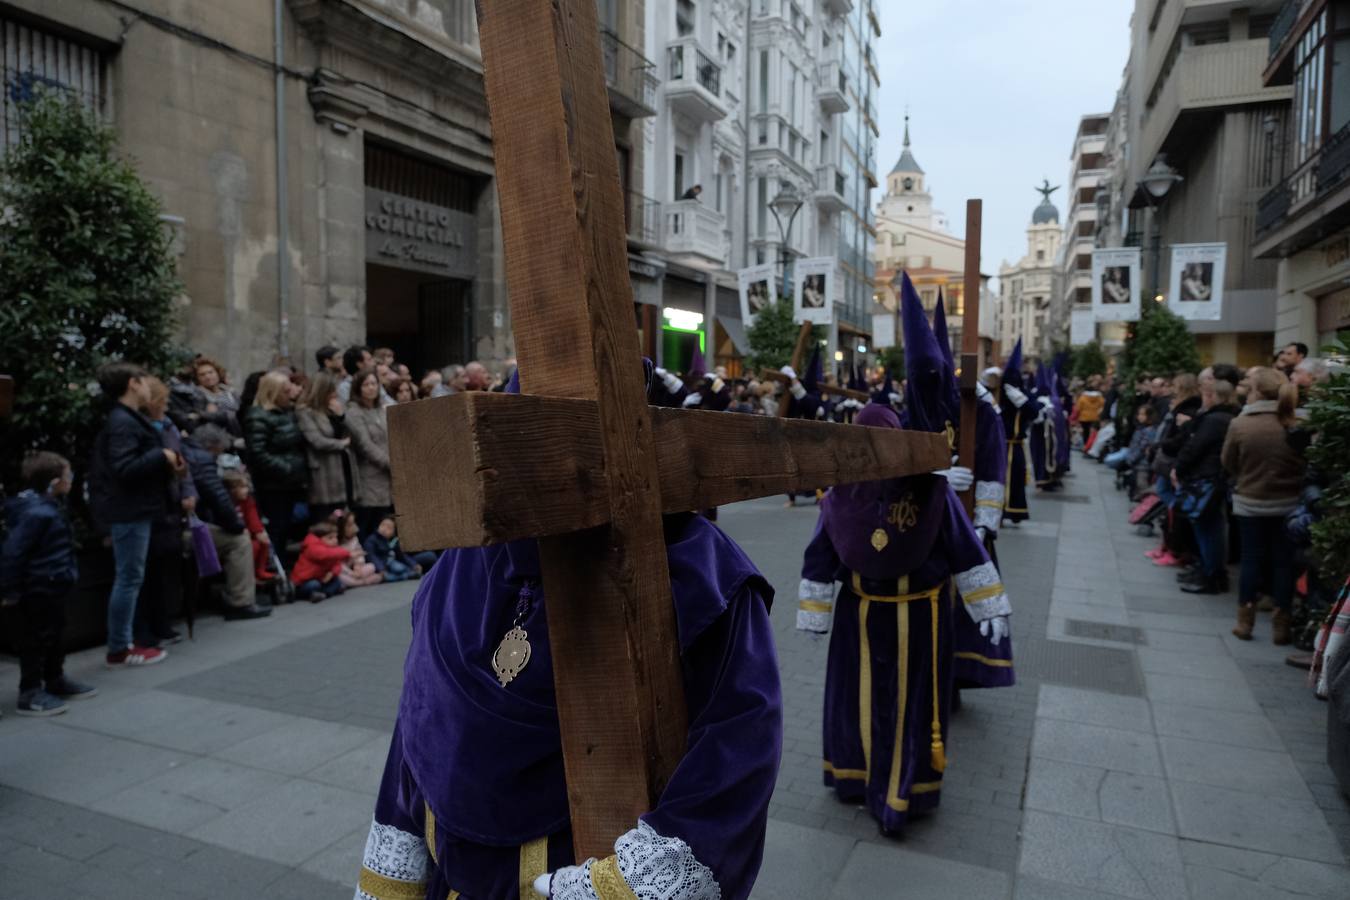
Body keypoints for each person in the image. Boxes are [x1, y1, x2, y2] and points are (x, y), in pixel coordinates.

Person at [355, 362, 781, 899]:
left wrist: (620, 887)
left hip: (574, 871)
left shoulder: (698, 571)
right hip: (455, 874)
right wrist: (399, 864)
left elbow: (738, 745)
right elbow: (421, 718)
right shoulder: (466, 556)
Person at [796, 400, 1011, 836]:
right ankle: (857, 778)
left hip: (917, 614)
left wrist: (987, 602)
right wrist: (814, 610)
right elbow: (820, 551)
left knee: (906, 709)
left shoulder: (929, 489)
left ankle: (900, 794)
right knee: (864, 704)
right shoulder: (842, 492)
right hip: (863, 614)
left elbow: (962, 543)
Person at [89, 362, 177, 668]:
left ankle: (123, 643)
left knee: (131, 577)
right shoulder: (122, 422)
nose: (148, 385)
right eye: (142, 380)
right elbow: (124, 468)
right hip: (129, 510)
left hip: (135, 508)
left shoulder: (126, 419)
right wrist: (160, 455)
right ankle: (120, 646)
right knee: (128, 578)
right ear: (132, 384)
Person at [1, 452, 97, 715]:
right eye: (67, 476)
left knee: (54, 634)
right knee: (36, 639)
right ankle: (30, 691)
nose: (71, 480)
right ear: (55, 481)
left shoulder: (47, 507)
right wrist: (10, 591)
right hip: (39, 586)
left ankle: (55, 679)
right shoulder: (37, 513)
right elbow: (13, 552)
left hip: (52, 583)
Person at [1223, 367, 1306, 642]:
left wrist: (1245, 476)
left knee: (1251, 560)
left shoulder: (1241, 424)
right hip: (1287, 503)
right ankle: (1281, 624)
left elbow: (1228, 461)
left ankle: (1245, 622)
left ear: (1256, 391)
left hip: (1250, 500)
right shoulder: (1296, 423)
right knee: (1283, 563)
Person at [182, 426, 272, 620]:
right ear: (213, 448)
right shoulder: (202, 459)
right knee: (238, 541)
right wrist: (236, 526)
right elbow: (217, 496)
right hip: (184, 527)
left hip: (177, 523)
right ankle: (240, 601)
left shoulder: (185, 451)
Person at [136, 376, 197, 649]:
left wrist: (187, 491)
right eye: (164, 401)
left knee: (163, 567)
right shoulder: (142, 428)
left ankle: (162, 621)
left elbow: (182, 462)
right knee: (145, 570)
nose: (167, 405)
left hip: (171, 502)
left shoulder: (169, 426)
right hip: (151, 503)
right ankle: (144, 628)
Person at [1174, 377, 1240, 595]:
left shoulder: (1215, 420)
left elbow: (1195, 447)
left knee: (1207, 528)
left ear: (1212, 396)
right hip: (1213, 477)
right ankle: (1209, 571)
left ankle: (1211, 574)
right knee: (1209, 527)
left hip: (1207, 478)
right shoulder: (1226, 416)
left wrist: (1179, 468)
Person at [243, 370, 309, 555]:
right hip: (274, 483)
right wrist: (286, 469)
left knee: (292, 525)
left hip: (293, 480)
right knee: (278, 527)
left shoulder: (288, 412)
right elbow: (257, 453)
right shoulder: (258, 416)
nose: (291, 395)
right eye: (285, 392)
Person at [296, 371, 357, 524]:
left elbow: (356, 434)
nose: (335, 394)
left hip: (344, 468)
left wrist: (342, 415)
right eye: (331, 390)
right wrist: (340, 444)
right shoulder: (305, 411)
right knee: (325, 519)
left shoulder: (335, 408)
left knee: (345, 517)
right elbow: (316, 440)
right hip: (324, 472)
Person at [345, 369, 394, 539]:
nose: (371, 388)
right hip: (369, 474)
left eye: (374, 383)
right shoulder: (354, 412)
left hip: (387, 476)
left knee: (383, 523)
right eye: (366, 385)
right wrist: (390, 463)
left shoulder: (382, 409)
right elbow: (365, 444)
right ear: (358, 388)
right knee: (367, 522)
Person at [221, 470, 276, 585]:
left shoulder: (247, 501)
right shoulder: (226, 503)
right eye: (242, 487)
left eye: (246, 486)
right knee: (253, 546)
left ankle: (260, 570)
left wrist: (258, 532)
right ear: (231, 489)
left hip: (249, 533)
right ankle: (248, 573)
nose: (246, 490)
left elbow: (253, 517)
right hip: (234, 534)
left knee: (263, 542)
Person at [290, 521, 348, 602]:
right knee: (314, 585)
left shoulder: (332, 549)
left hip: (322, 578)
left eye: (336, 537)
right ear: (319, 538)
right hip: (304, 582)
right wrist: (347, 552)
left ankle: (323, 594)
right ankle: (323, 592)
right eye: (330, 538)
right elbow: (324, 554)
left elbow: (337, 564)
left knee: (337, 580)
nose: (335, 540)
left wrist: (332, 573)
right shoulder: (312, 547)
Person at [363, 515, 422, 582]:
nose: (384, 529)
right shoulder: (372, 539)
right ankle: (406, 576)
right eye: (383, 525)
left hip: (392, 562)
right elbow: (372, 556)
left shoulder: (393, 541)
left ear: (393, 533)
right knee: (396, 570)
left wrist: (414, 564)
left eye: (389, 528)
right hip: (381, 565)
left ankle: (409, 574)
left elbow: (402, 556)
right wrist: (381, 568)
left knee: (401, 568)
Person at [335, 511, 383, 588]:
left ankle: (355, 581)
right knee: (339, 576)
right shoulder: (336, 543)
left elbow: (360, 553)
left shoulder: (354, 539)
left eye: (354, 523)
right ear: (340, 528)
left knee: (371, 567)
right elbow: (338, 564)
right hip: (345, 571)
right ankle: (362, 582)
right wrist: (351, 573)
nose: (354, 527)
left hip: (356, 569)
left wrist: (358, 566)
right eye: (349, 525)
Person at [1073, 375, 1105, 445]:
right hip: (1095, 417)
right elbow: (1103, 405)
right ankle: (1091, 445)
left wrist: (1075, 417)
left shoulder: (1083, 397)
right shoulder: (1099, 397)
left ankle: (1085, 445)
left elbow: (1078, 408)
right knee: (1093, 433)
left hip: (1084, 418)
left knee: (1085, 433)